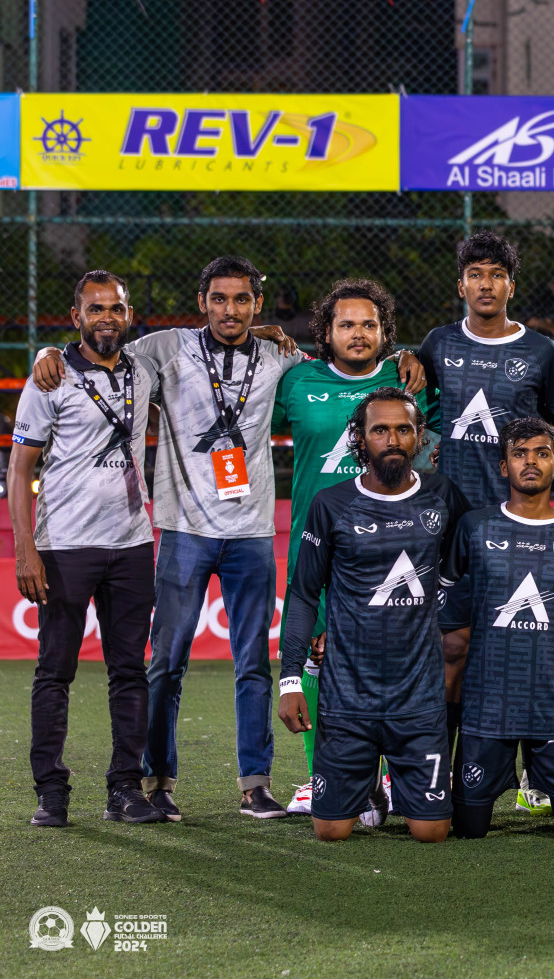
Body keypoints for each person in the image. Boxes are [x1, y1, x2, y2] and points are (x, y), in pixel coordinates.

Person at [32, 257, 309, 820]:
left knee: (253, 662)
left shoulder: (283, 355)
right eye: (218, 299)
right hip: (182, 529)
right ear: (201, 301)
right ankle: (158, 781)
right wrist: (46, 353)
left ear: (258, 303)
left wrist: (402, 358)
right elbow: (95, 348)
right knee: (165, 662)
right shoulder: (164, 347)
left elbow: (339, 374)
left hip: (253, 531)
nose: (229, 309)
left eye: (242, 300)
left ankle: (254, 783)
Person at [271, 278, 436, 816]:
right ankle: (324, 777)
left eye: (370, 324)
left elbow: (428, 454)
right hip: (318, 542)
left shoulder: (408, 378)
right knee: (315, 655)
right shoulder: (296, 381)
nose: (359, 334)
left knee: (392, 654)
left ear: (386, 331)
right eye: (346, 324)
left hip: (396, 546)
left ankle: (388, 776)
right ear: (326, 331)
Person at [277, 389, 470, 842]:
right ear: (360, 440)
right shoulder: (331, 503)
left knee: (431, 833)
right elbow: (304, 594)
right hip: (347, 697)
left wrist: (454, 625)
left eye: (404, 429)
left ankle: (392, 784)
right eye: (379, 430)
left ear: (420, 436)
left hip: (419, 698)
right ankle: (369, 790)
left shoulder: (443, 496)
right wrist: (290, 680)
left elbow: (464, 570)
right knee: (330, 832)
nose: (393, 439)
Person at [12, 271, 162, 826]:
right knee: (55, 671)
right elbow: (20, 467)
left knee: (130, 670)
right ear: (75, 317)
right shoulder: (49, 378)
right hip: (65, 545)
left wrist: (264, 329)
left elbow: (205, 350)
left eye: (116, 308)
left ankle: (124, 789)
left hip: (131, 543)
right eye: (95, 309)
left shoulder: (142, 369)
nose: (106, 317)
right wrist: (26, 549)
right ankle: (51, 792)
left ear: (128, 315)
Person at [440, 417, 554, 839]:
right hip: (486, 709)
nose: (530, 462)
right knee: (469, 829)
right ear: (503, 467)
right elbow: (445, 599)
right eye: (519, 453)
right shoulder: (474, 528)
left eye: (542, 454)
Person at [418, 231, 554, 511]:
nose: (486, 285)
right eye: (475, 275)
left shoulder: (541, 350)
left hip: (517, 508)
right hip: (450, 505)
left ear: (512, 287)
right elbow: (419, 409)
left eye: (497, 275)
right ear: (461, 287)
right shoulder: (439, 343)